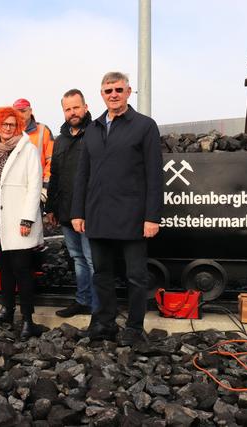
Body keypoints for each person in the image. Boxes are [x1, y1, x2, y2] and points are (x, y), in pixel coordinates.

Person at [71, 72, 163, 346]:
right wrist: (78, 212)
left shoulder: (145, 126)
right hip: (98, 216)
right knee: (101, 274)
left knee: (136, 277)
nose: (113, 94)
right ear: (101, 94)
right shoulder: (94, 129)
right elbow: (82, 174)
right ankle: (104, 324)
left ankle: (134, 329)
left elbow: (154, 175)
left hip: (133, 218)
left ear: (128, 91)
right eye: (108, 90)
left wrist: (152, 217)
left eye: (118, 89)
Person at [0, 106, 43, 340]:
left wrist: (28, 219)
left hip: (18, 222)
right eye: (4, 124)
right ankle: (7, 310)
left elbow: (34, 186)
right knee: (4, 270)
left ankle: (28, 320)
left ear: (19, 126)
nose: (8, 128)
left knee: (22, 271)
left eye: (13, 124)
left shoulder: (27, 150)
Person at [46, 89, 98, 318]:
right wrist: (51, 207)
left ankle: (99, 308)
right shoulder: (60, 140)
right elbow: (55, 175)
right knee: (77, 258)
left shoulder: (97, 134)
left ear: (85, 107)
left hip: (89, 211)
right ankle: (83, 300)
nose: (72, 112)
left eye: (76, 107)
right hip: (66, 210)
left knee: (92, 260)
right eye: (68, 109)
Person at [12, 98, 55, 202]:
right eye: (17, 112)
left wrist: (45, 187)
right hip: (15, 189)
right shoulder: (9, 132)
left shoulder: (43, 130)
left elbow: (52, 161)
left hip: (37, 190)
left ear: (30, 111)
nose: (20, 114)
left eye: (23, 111)